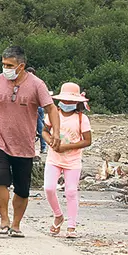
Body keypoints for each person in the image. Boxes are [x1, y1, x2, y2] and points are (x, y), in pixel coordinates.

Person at [0, 46, 59, 238]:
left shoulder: (37, 85)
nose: (5, 68)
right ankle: (4, 220)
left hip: (25, 145)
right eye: (3, 64)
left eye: (9, 65)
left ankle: (16, 224)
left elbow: (51, 109)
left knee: (22, 188)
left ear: (21, 66)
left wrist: (55, 133)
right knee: (0, 180)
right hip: (0, 140)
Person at [43, 83, 92, 239]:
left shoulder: (81, 118)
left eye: (71, 101)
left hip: (72, 160)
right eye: (66, 101)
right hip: (54, 158)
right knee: (49, 188)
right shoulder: (53, 115)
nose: (68, 104)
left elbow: (87, 140)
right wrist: (50, 141)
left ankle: (72, 225)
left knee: (71, 191)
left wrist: (67, 147)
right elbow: (44, 131)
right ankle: (58, 215)